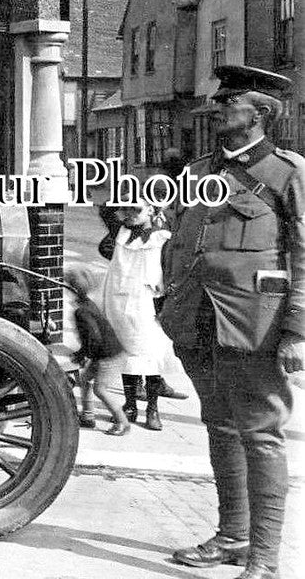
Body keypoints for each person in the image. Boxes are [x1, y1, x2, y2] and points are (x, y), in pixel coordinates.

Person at [161, 65, 305, 579]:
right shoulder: (198, 174)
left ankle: (265, 559)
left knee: (262, 433)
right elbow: (179, 240)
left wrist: (296, 329)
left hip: (255, 322)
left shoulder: (288, 173)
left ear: (261, 113)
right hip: (197, 319)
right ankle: (232, 536)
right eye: (219, 102)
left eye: (231, 102)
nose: (219, 107)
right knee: (220, 424)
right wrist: (168, 298)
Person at [101, 202, 178, 430]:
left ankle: (152, 409)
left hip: (146, 303)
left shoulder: (162, 238)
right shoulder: (120, 233)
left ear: (152, 210)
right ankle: (130, 404)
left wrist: (164, 303)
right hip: (120, 301)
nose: (131, 214)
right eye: (127, 209)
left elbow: (169, 270)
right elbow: (105, 209)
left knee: (150, 356)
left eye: (137, 209)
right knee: (127, 355)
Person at [66, 264, 129, 435]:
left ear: (71, 288)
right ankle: (87, 416)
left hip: (108, 356)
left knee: (100, 389)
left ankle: (123, 422)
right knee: (85, 380)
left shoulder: (81, 311)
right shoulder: (88, 304)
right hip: (107, 353)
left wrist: (83, 354)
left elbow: (93, 337)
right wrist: (84, 353)